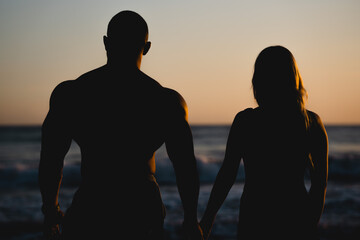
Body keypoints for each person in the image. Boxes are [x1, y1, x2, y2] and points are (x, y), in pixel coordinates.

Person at [39, 10, 203, 240]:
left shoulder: (71, 94)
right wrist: (190, 220)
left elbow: (51, 158)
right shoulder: (167, 102)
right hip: (142, 207)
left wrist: (51, 211)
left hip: (92, 204)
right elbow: (185, 167)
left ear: (106, 43)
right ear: (146, 48)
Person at [200, 46, 328, 240]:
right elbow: (319, 185)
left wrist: (208, 219)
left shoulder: (246, 122)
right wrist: (310, 224)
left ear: (258, 80)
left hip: (255, 216)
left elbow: (227, 175)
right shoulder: (311, 123)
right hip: (297, 215)